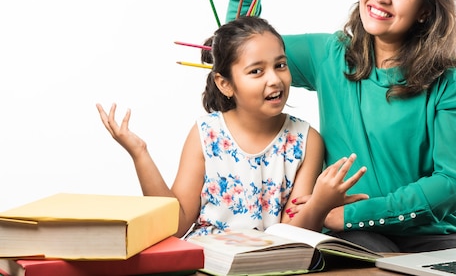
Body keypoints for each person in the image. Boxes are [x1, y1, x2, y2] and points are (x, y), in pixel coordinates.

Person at [225, 0, 456, 253]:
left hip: (440, 235)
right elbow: (240, 55)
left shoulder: (451, 82)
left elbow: (454, 184)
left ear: (424, 11)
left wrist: (352, 215)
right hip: (360, 238)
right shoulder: (330, 55)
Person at [96, 16, 367, 238]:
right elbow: (176, 225)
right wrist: (139, 153)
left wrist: (320, 203)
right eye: (256, 71)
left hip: (271, 263)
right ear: (225, 84)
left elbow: (291, 235)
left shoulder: (306, 140)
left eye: (280, 65)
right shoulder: (206, 134)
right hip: (208, 263)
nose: (274, 79)